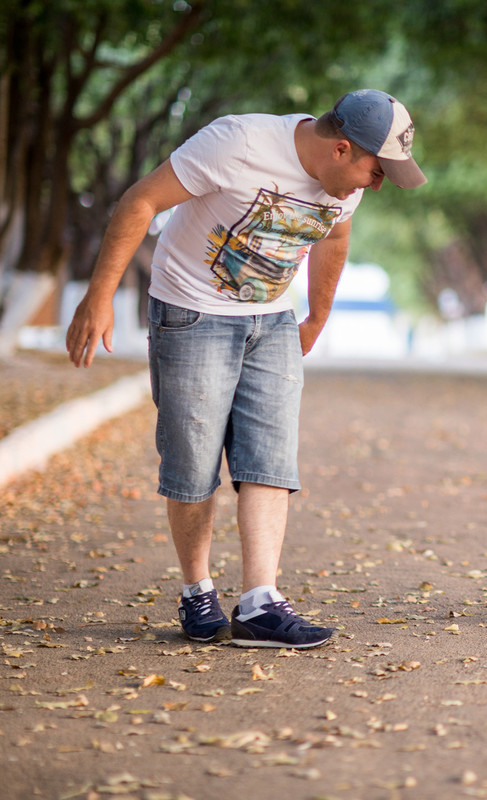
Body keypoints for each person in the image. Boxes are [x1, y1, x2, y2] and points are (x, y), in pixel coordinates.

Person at [65, 89, 427, 648]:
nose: (376, 185)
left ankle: (260, 603)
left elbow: (335, 235)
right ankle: (197, 591)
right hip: (191, 311)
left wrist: (317, 317)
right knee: (193, 462)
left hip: (272, 320)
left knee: (269, 458)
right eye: (376, 171)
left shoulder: (346, 188)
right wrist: (99, 296)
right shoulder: (239, 142)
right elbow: (141, 201)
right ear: (340, 148)